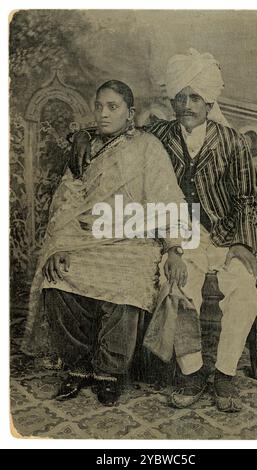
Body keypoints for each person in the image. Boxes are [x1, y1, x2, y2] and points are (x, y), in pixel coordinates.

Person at [68, 50, 257, 412]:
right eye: (180, 97)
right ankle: (191, 374)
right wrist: (83, 135)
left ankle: (225, 376)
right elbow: (119, 129)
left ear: (209, 101)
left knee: (245, 292)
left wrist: (245, 244)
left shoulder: (231, 141)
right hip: (181, 232)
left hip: (225, 236)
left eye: (194, 98)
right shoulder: (159, 134)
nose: (186, 105)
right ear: (172, 100)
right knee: (178, 285)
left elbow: (250, 198)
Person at [21, 80, 189, 407]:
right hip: (85, 238)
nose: (103, 113)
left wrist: (174, 248)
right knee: (57, 277)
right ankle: (79, 365)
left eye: (113, 107)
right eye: (99, 106)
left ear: (130, 113)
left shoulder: (147, 147)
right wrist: (59, 247)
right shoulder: (86, 149)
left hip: (133, 239)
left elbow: (168, 200)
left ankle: (109, 371)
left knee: (126, 280)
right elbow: (66, 204)